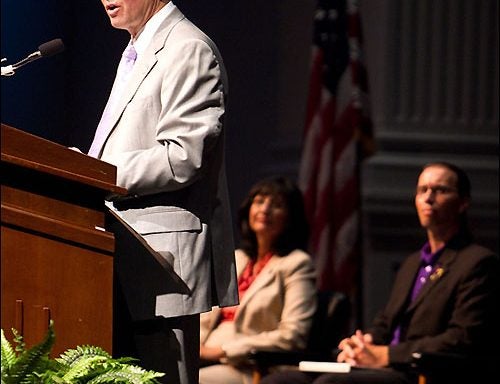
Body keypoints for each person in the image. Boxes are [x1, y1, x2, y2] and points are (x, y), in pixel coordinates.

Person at [86, 1, 238, 384]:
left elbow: (185, 156)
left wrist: (97, 173)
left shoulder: (187, 47)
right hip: (117, 256)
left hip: (160, 266)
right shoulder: (136, 51)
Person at [260, 161, 499, 384]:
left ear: (463, 202)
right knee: (282, 380)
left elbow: (461, 339)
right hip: (384, 365)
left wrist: (386, 354)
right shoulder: (412, 263)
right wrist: (365, 343)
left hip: (418, 371)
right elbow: (385, 323)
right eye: (422, 190)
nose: (428, 198)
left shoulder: (477, 263)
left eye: (440, 190)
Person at [199, 176, 318, 384]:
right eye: (260, 201)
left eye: (277, 205)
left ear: (291, 218)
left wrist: (222, 351)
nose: (265, 209)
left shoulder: (296, 264)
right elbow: (204, 318)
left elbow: (293, 335)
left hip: (250, 367)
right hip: (201, 357)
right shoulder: (237, 258)